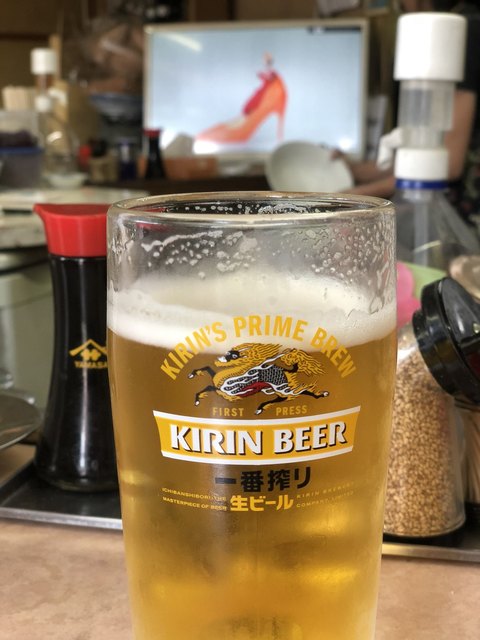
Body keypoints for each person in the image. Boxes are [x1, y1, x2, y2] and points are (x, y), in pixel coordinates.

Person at [342, 1, 480, 223]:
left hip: (461, 212)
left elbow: (449, 162)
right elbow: (418, 146)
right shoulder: (426, 33)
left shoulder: (464, 33)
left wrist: (356, 197)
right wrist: (352, 170)